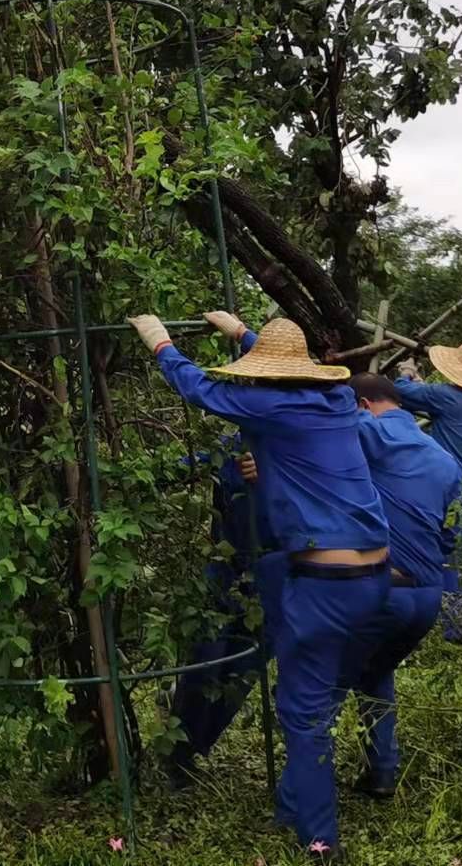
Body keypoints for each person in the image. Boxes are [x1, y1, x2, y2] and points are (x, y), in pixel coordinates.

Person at [129, 309, 389, 858]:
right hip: (374, 576)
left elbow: (197, 386)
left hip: (326, 580)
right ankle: (291, 807)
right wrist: (243, 332)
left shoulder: (267, 406)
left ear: (263, 375)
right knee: (316, 693)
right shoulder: (338, 402)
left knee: (303, 713)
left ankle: (321, 844)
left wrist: (159, 340)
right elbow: (287, 372)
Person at [339, 374, 461, 797]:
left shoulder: (368, 430)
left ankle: (306, 800)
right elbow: (450, 537)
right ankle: (382, 772)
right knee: (376, 672)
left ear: (363, 405)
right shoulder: (445, 461)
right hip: (427, 599)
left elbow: (312, 423)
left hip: (380, 591)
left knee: (319, 686)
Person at [165, 431, 286, 788]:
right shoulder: (235, 443)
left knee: (246, 671)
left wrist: (272, 477)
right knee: (205, 661)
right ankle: (179, 753)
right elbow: (188, 465)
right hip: (224, 568)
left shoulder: (300, 441)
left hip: (273, 570)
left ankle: (196, 746)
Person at [395, 338, 462, 640]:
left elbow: (401, 392)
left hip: (458, 490)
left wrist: (406, 371)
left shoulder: (446, 397)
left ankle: (455, 628)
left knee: (451, 556)